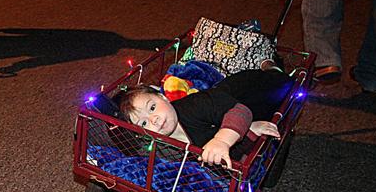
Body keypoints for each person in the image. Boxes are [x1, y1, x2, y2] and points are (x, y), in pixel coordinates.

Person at [119, 69, 292, 167]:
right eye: (143, 123)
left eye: (152, 107)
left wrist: (223, 140)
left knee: (282, 86)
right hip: (222, 106)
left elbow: (240, 111)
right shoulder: (160, 143)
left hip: (248, 92)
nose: (154, 119)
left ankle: (273, 68)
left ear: (164, 97)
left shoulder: (195, 106)